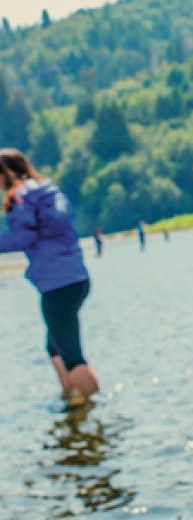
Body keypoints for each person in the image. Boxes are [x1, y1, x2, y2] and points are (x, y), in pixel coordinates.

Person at [0, 148, 100, 403]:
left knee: (72, 357)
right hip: (77, 279)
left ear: (6, 174)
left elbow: (24, 237)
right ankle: (72, 400)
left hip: (56, 284)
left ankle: (95, 411)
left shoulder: (21, 196)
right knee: (54, 347)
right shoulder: (48, 190)